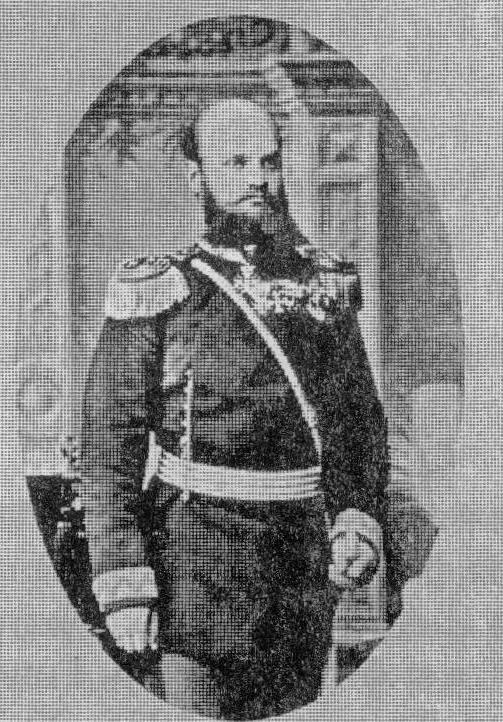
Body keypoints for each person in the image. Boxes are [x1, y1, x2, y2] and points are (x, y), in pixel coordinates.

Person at [81, 98, 390, 720]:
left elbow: (357, 422)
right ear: (197, 177)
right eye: (237, 163)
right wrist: (124, 580)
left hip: (300, 567)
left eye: (270, 162)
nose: (259, 180)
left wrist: (355, 513)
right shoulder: (160, 291)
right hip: (196, 566)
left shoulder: (322, 286)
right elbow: (109, 448)